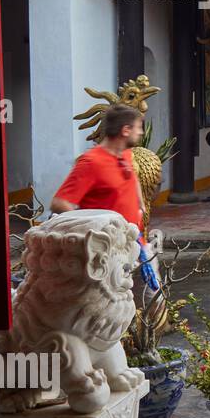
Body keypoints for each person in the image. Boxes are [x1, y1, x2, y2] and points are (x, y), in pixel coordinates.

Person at [51, 104, 159, 291]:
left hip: (136, 242)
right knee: (119, 312)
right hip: (110, 253)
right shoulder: (91, 162)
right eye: (138, 128)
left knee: (154, 299)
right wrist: (93, 231)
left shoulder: (124, 153)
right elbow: (59, 203)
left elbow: (132, 178)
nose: (141, 133)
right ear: (126, 130)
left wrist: (140, 207)